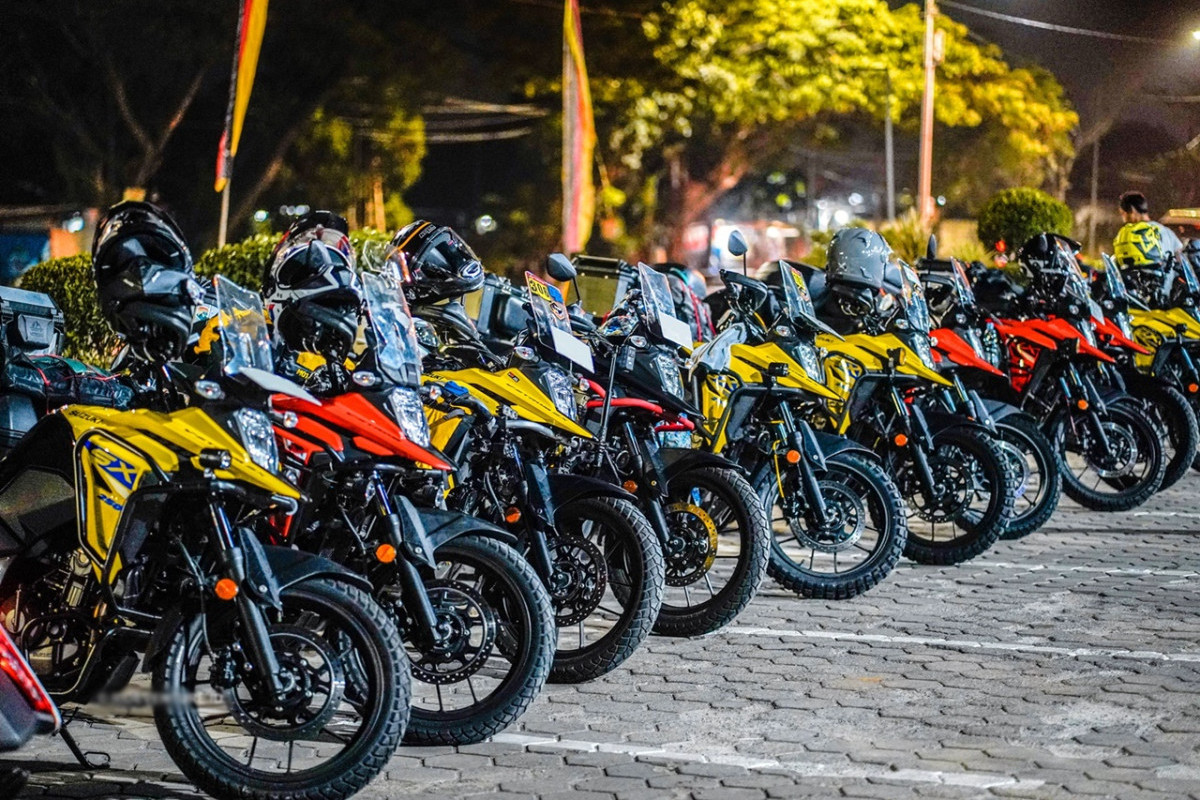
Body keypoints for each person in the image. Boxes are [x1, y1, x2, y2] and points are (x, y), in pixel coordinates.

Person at [1113, 191, 1183, 266]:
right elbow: (1180, 259)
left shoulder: (1130, 235)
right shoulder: (1167, 232)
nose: (1124, 220)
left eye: (1123, 214)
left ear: (1132, 210)